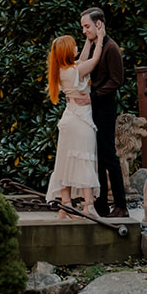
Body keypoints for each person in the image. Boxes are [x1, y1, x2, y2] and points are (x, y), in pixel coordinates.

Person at [45, 26, 104, 218]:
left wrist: (89, 41)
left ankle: (66, 205)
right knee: (85, 158)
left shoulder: (62, 70)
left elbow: (83, 60)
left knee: (65, 161)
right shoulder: (75, 70)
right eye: (74, 45)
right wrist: (100, 38)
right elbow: (93, 61)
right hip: (81, 121)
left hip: (69, 118)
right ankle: (89, 206)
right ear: (67, 51)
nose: (77, 46)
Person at [81, 6, 128, 219]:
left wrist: (94, 96)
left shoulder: (111, 48)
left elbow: (116, 81)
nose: (84, 31)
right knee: (96, 157)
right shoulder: (94, 46)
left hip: (105, 107)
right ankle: (101, 205)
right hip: (94, 106)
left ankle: (120, 205)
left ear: (99, 24)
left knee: (109, 157)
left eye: (87, 26)